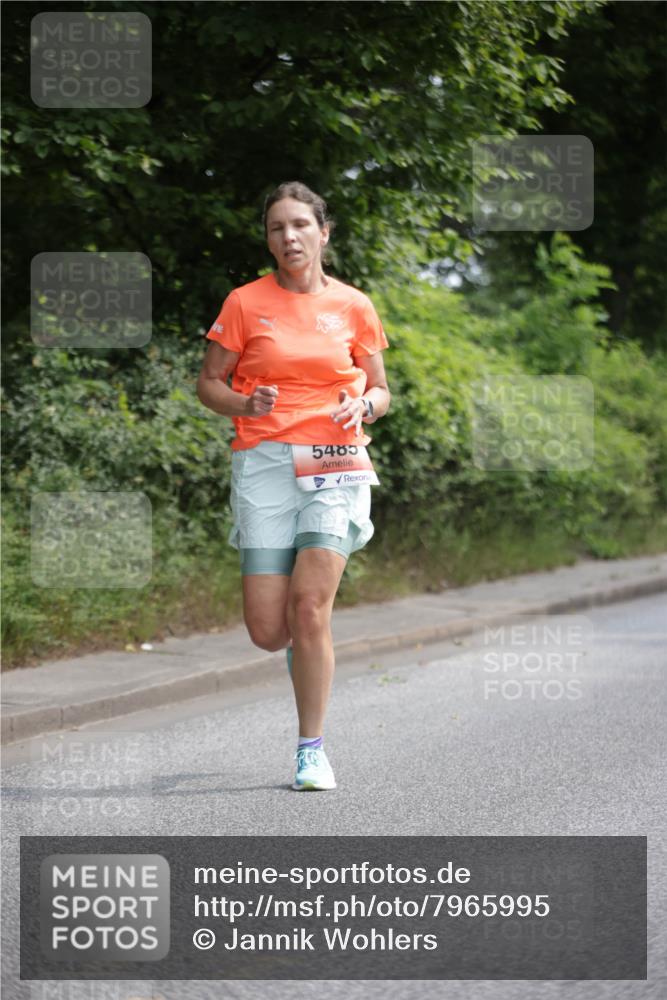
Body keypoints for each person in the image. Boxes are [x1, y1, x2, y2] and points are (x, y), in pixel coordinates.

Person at [196, 181, 390, 790]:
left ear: (323, 233)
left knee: (309, 608)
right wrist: (245, 401)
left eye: (301, 225)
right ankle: (300, 647)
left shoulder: (355, 305)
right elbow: (209, 385)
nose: (290, 237)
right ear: (269, 240)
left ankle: (312, 750)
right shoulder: (245, 303)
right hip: (264, 461)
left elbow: (381, 389)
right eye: (278, 228)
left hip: (334, 455)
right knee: (268, 629)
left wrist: (366, 407)